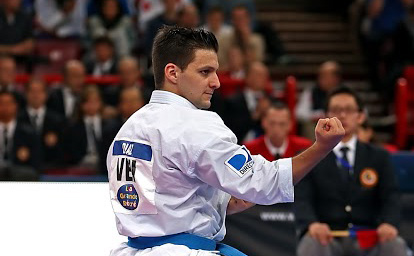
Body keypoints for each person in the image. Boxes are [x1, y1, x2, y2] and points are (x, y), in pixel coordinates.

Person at [107, 26, 345, 256]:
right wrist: (321, 148)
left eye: (215, 72)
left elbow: (162, 200)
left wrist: (221, 202)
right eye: (204, 72)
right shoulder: (196, 125)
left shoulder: (129, 129)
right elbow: (264, 183)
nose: (216, 82)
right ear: (172, 73)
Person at [295, 86, 407, 256]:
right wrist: (312, 224)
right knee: (311, 243)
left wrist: (389, 224)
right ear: (325, 117)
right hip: (328, 238)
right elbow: (302, 198)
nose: (342, 115)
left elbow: (391, 196)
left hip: (370, 238)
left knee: (395, 244)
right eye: (336, 110)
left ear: (361, 117)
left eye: (348, 110)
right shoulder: (310, 157)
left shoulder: (379, 157)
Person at [18, 79, 66, 168]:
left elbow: (64, 150)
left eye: (39, 92)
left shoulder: (58, 121)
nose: (36, 95)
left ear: (46, 95)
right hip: (22, 169)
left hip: (51, 167)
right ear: (25, 94)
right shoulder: (17, 119)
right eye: (32, 91)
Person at [245, 101, 312, 161]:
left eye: (282, 124)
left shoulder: (304, 148)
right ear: (263, 123)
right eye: (272, 123)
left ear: (290, 125)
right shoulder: (249, 150)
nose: (276, 129)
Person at [296, 61, 343, 140]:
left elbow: (361, 112)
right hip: (318, 127)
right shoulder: (311, 91)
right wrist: (318, 116)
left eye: (325, 75)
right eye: (320, 75)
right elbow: (299, 113)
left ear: (336, 78)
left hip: (341, 125)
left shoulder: (346, 93)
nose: (320, 78)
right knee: (309, 126)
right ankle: (315, 149)